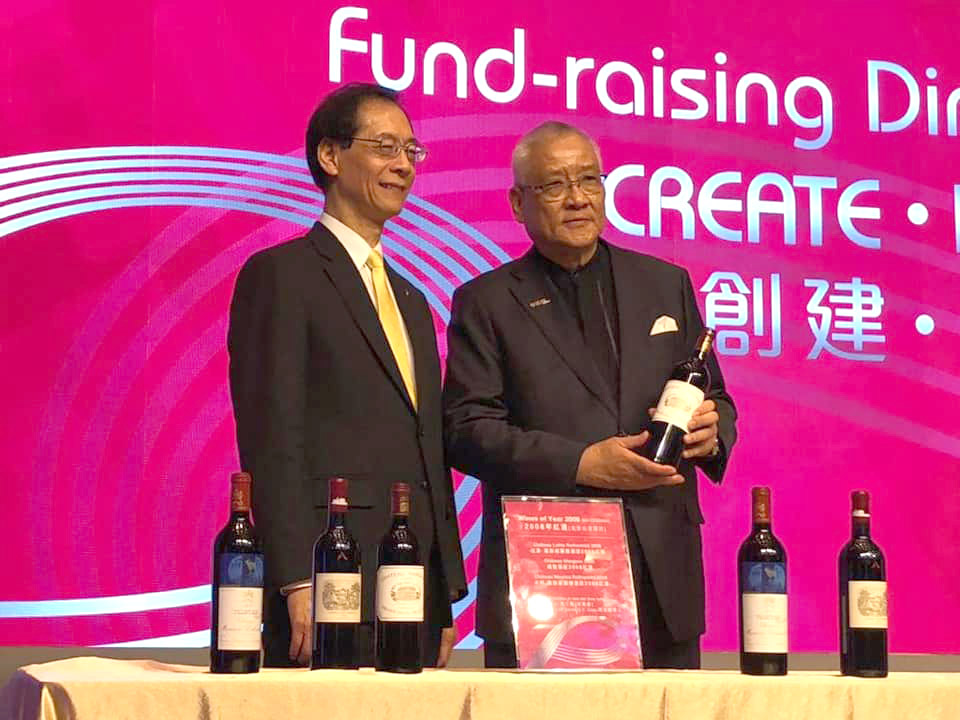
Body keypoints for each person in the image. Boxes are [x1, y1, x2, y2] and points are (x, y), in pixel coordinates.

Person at [442, 121, 737, 669]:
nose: (577, 198)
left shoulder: (664, 282)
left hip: (660, 576)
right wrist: (582, 464)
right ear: (518, 203)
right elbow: (467, 429)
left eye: (589, 180)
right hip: (546, 573)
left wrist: (712, 429)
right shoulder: (486, 301)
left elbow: (714, 393)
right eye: (555, 185)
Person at [228, 83, 466, 668]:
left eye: (411, 150)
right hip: (329, 575)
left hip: (411, 581)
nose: (404, 165)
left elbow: (427, 452)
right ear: (330, 156)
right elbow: (271, 436)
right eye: (385, 146)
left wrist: (445, 591)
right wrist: (294, 578)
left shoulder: (411, 299)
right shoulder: (282, 275)